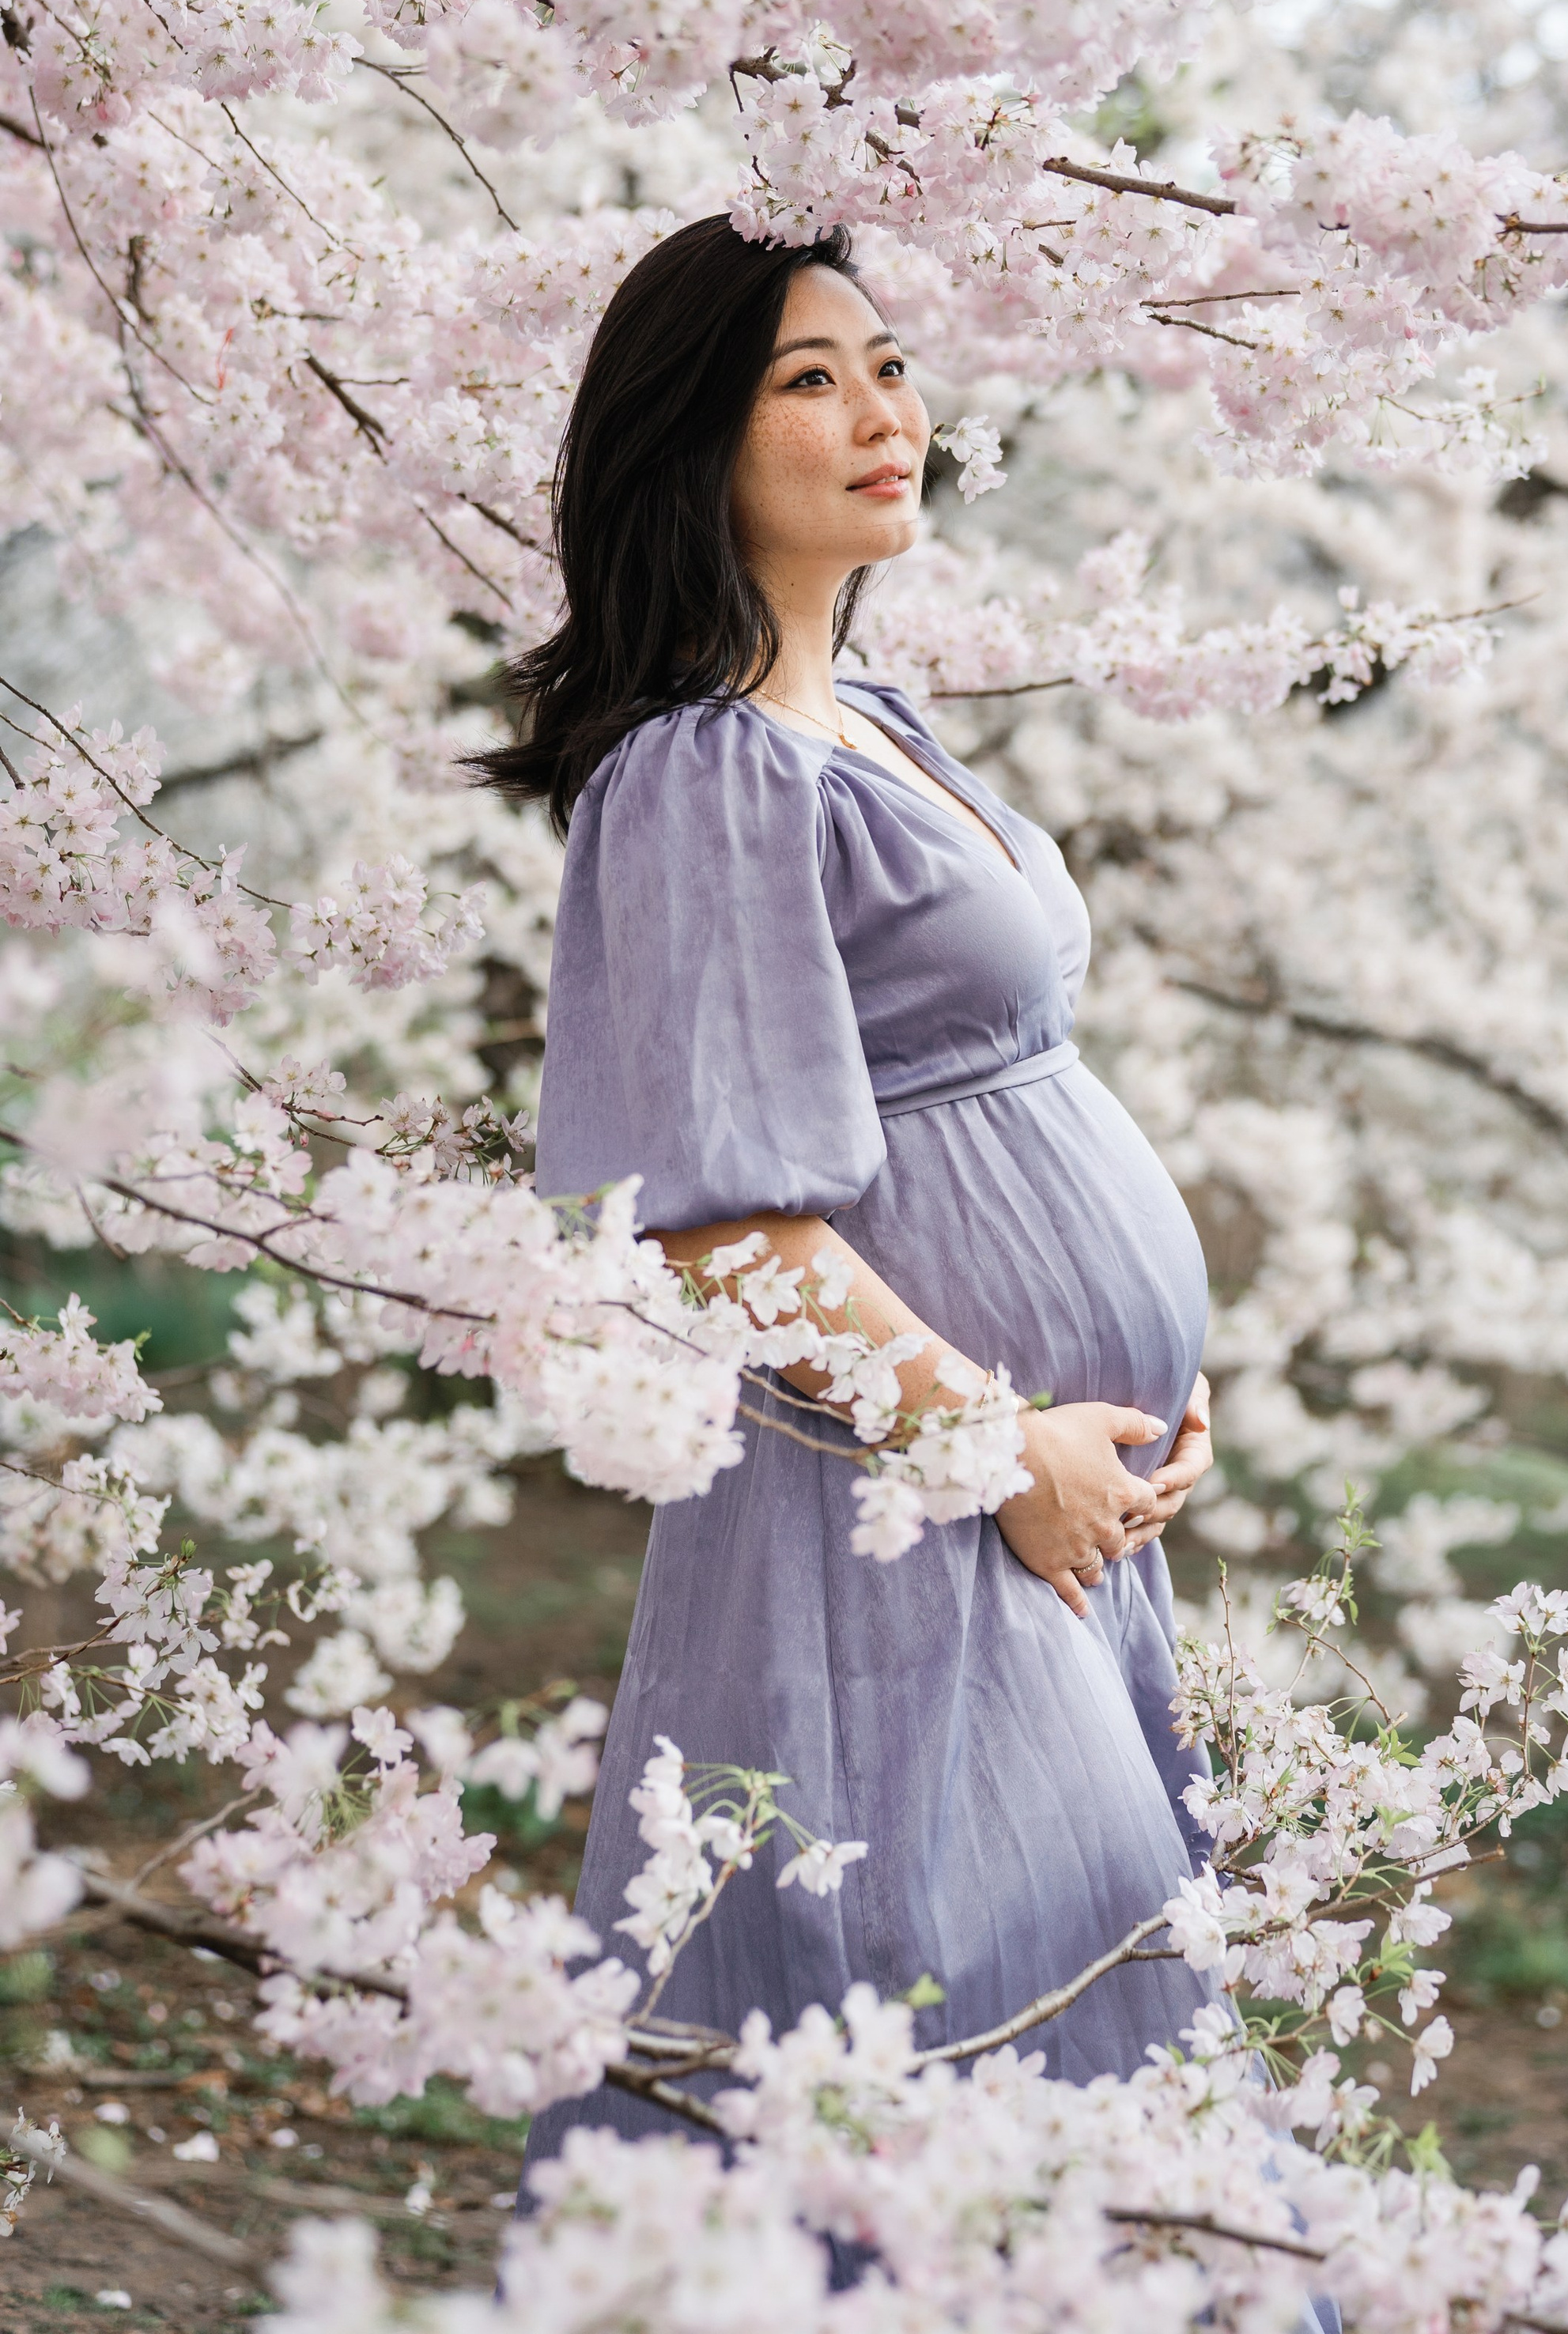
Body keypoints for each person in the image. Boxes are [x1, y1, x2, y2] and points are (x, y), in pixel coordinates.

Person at [482, 212, 1218, 2158]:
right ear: (691, 445)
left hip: (1043, 1496)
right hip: (897, 1517)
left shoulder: (872, 722)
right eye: (807, 380)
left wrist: (1133, 1406)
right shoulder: (710, 773)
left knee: (1088, 2012)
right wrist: (1000, 1441)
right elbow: (724, 1221)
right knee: (958, 2016)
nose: (881, 411)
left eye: (887, 363)